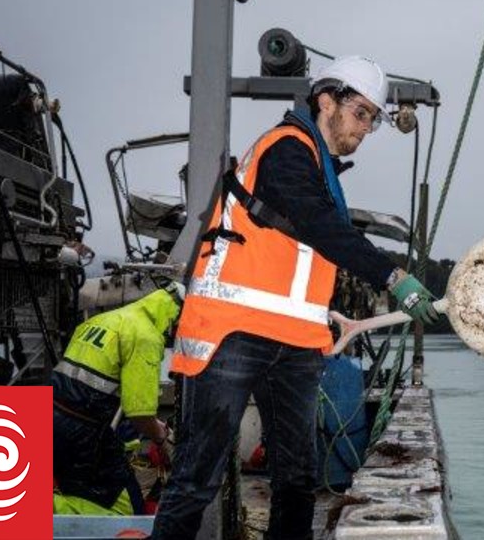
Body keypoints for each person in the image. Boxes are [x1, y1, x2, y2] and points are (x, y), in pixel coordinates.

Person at [152, 56, 438, 540]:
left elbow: (307, 251)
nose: (366, 128)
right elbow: (322, 227)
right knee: (198, 477)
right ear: (327, 100)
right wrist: (394, 277)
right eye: (361, 113)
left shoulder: (321, 169)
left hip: (297, 343)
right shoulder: (286, 150)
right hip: (234, 334)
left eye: (372, 119)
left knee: (298, 479)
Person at [52, 283, 184, 515]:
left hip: (50, 421)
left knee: (75, 489)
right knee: (126, 509)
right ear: (176, 317)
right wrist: (163, 439)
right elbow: (139, 414)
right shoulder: (145, 336)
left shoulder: (105, 319)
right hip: (84, 434)